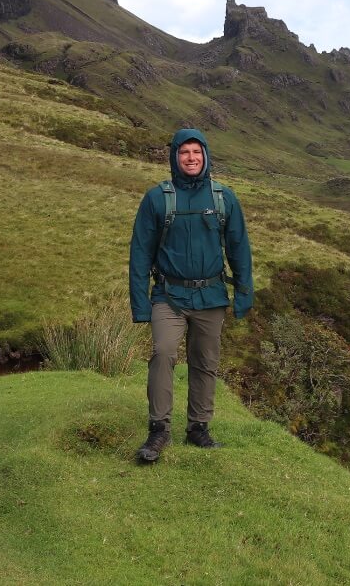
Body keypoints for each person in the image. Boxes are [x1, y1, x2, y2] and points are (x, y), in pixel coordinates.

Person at [129, 128, 253, 463]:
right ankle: (158, 429)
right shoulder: (157, 198)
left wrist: (243, 294)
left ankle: (198, 427)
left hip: (211, 296)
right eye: (184, 152)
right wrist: (140, 305)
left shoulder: (223, 198)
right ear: (175, 157)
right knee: (163, 352)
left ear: (206, 156)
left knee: (205, 362)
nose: (191, 158)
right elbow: (140, 253)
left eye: (197, 152)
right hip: (168, 295)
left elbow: (239, 248)